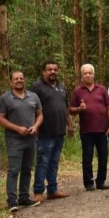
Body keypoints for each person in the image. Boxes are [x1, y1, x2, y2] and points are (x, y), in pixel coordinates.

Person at [0, 71, 43, 212]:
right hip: (14, 140)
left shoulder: (33, 96)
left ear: (24, 80)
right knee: (14, 170)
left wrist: (35, 126)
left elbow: (40, 114)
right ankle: (12, 201)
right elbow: (0, 118)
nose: (19, 80)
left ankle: (24, 198)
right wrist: (17, 129)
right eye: (16, 78)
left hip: (31, 138)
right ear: (11, 82)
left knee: (27, 169)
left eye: (21, 78)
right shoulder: (5, 99)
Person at [30, 61, 73, 203]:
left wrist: (70, 125)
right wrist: (34, 127)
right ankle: (38, 191)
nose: (53, 72)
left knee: (54, 162)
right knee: (43, 162)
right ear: (44, 72)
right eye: (49, 70)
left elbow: (65, 108)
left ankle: (53, 190)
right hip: (44, 132)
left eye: (55, 69)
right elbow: (31, 108)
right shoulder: (37, 87)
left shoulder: (61, 87)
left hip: (59, 131)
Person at [70, 64, 109, 190]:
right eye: (85, 73)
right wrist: (79, 108)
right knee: (87, 157)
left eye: (90, 73)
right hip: (86, 130)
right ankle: (88, 183)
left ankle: (100, 182)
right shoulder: (78, 91)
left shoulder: (102, 89)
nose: (88, 75)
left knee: (103, 156)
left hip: (102, 130)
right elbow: (71, 110)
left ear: (94, 74)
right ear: (82, 75)